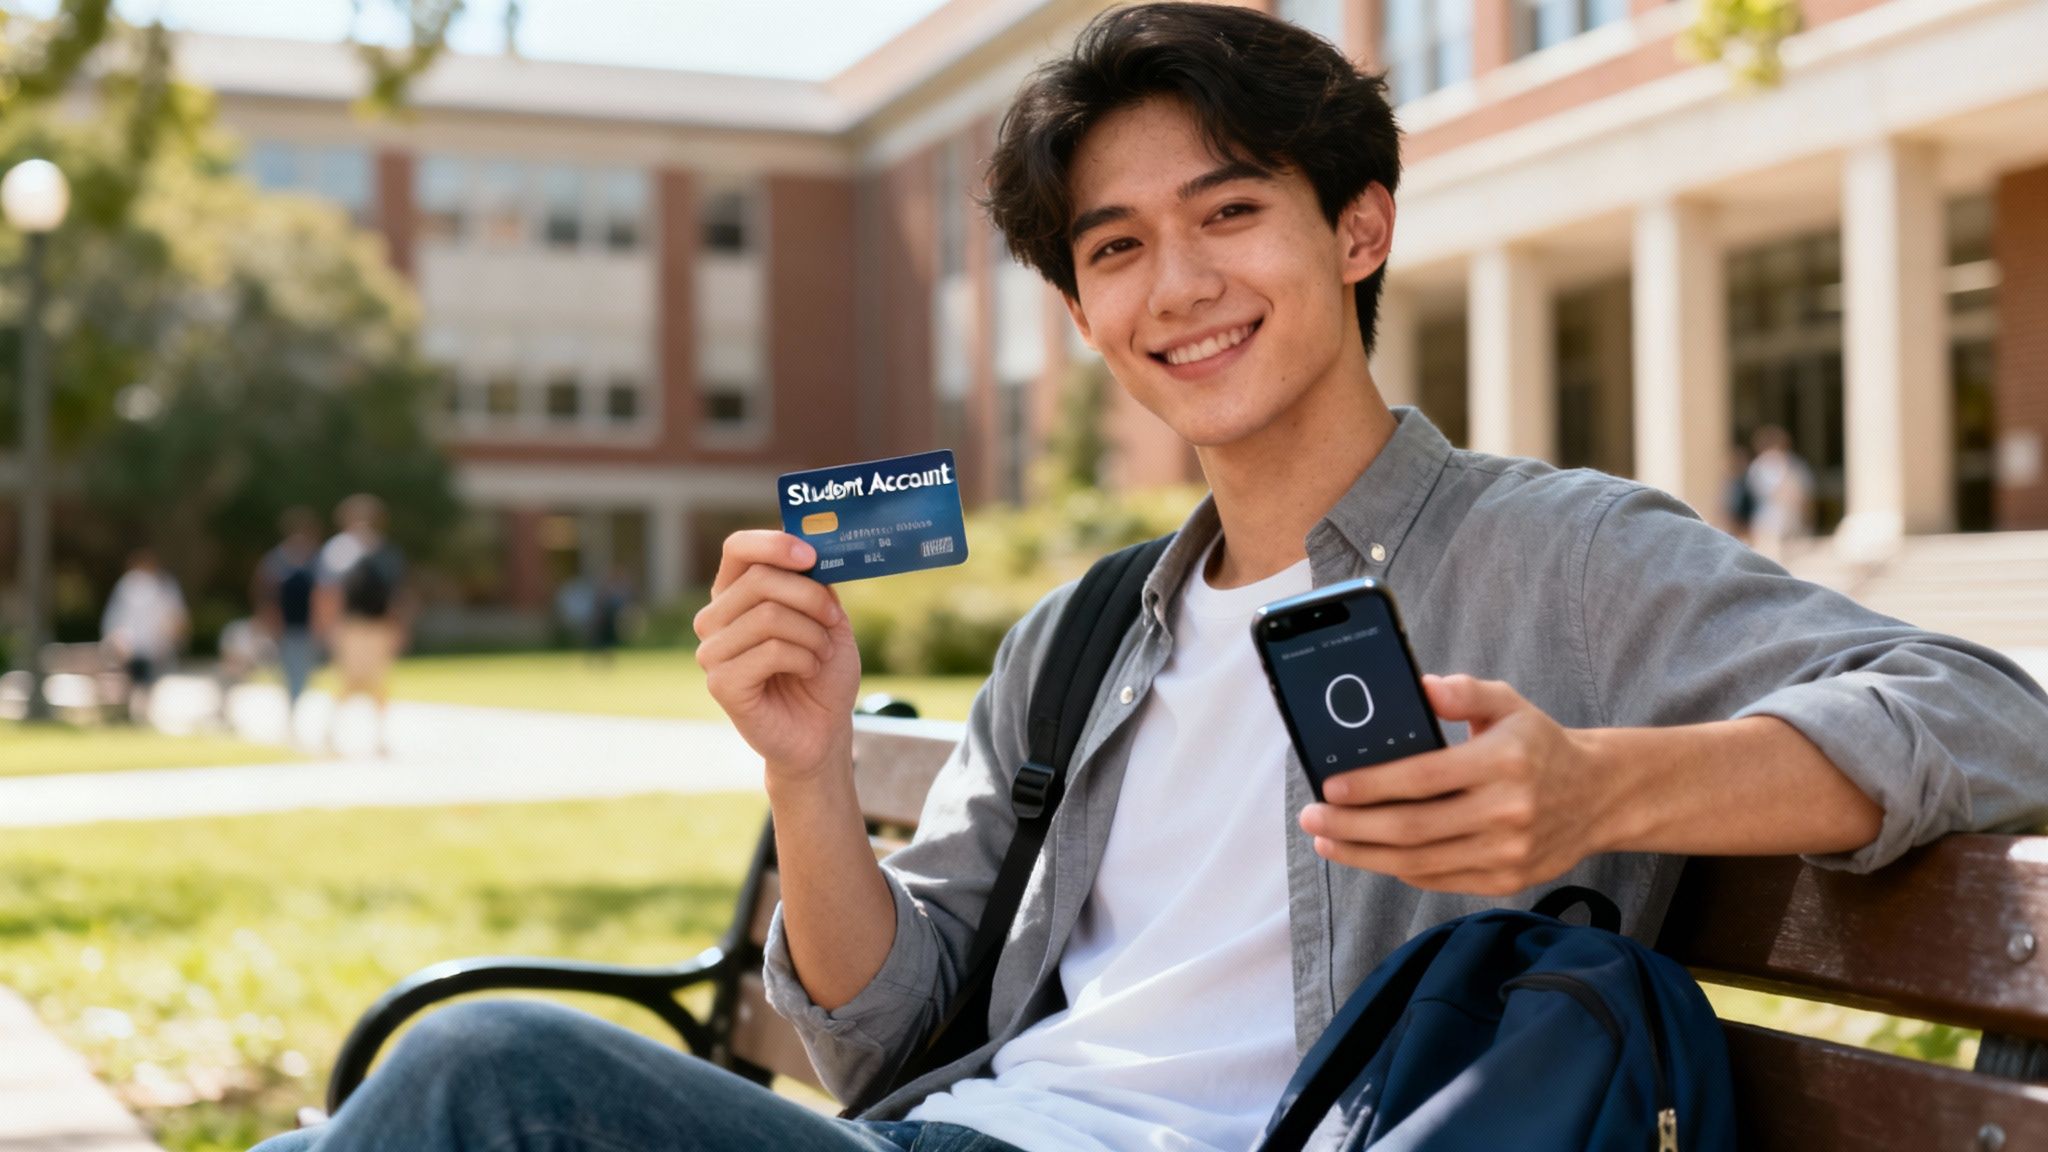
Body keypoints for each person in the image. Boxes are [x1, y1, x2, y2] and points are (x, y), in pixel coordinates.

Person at [252, 6, 2048, 1150]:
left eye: (1228, 212)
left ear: (1356, 230)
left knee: (483, 1074)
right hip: (951, 1138)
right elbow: (875, 1038)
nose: (1175, 283)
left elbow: (1986, 715)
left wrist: (1597, 783)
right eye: (1117, 249)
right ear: (1086, 315)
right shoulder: (1083, 630)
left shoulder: (1554, 554)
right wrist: (806, 771)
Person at [315, 494, 409, 758]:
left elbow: (395, 595)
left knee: (379, 684)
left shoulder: (385, 551)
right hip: (351, 626)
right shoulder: (338, 551)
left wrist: (397, 627)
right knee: (347, 682)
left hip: (378, 626)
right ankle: (330, 734)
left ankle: (379, 738)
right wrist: (328, 626)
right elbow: (328, 592)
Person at [253, 507, 325, 733]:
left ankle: (294, 712)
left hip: (307, 626)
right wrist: (268, 621)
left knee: (303, 673)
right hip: (284, 625)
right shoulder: (276, 560)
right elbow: (264, 592)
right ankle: (290, 714)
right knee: (286, 670)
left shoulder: (316, 561)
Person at [100, 547, 187, 725]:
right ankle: (130, 717)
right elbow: (118, 618)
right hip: (135, 647)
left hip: (154, 647)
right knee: (133, 684)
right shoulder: (129, 584)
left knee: (148, 685)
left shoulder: (163, 584)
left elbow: (174, 617)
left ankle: (140, 717)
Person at [1745, 424, 1815, 562]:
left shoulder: (1795, 464)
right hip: (1770, 517)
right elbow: (1761, 491)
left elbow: (1804, 492)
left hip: (1792, 517)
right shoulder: (1762, 465)